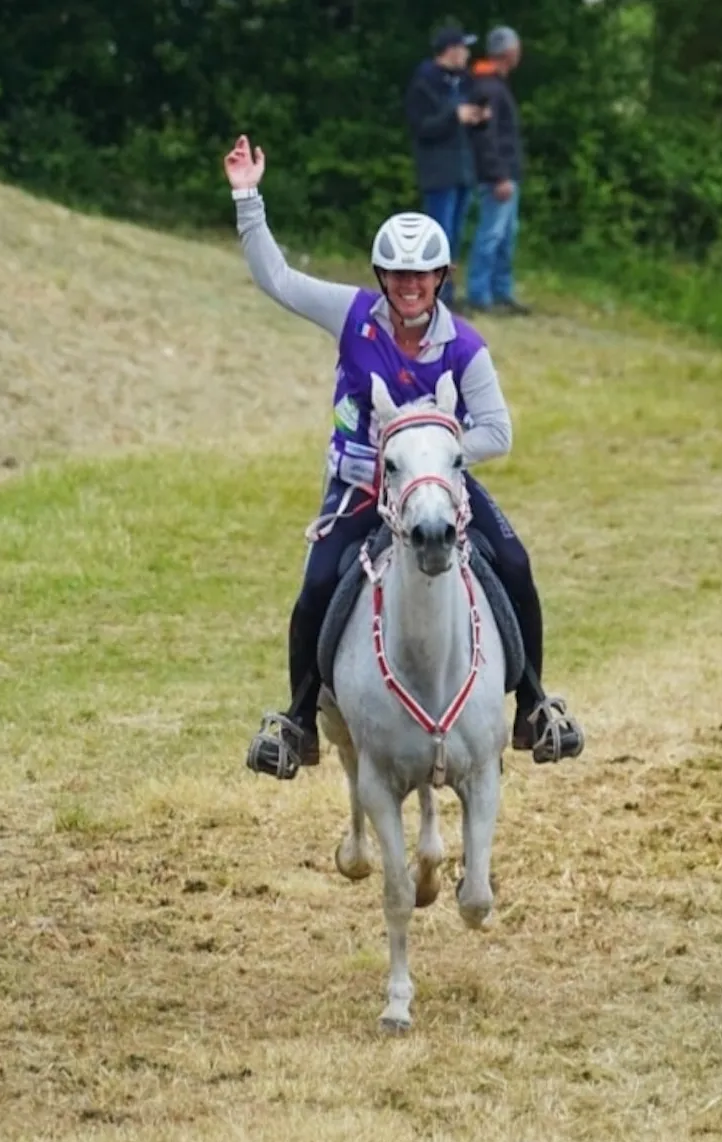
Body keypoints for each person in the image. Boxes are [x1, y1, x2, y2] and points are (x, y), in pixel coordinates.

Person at [222, 134, 582, 777]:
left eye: (421, 275)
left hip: (436, 487)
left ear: (441, 278)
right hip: (361, 485)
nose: (409, 286)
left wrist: (429, 459)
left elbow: (497, 432)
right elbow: (277, 279)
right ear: (380, 277)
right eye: (396, 275)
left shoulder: (465, 347)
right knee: (317, 586)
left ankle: (533, 707)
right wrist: (247, 196)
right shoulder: (352, 314)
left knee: (515, 564)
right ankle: (298, 720)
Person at [404, 23, 489, 308]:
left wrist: (478, 118)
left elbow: (466, 124)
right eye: (463, 48)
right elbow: (422, 128)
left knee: (455, 237)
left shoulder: (464, 81)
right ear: (450, 50)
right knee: (439, 236)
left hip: (463, 170)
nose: (467, 53)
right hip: (439, 172)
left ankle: (448, 291)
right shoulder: (424, 83)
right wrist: (454, 116)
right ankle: (434, 292)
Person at [466, 26, 531, 316]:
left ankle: (501, 292)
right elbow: (485, 136)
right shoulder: (488, 87)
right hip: (498, 177)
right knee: (491, 234)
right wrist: (499, 175)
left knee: (506, 236)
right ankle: (479, 294)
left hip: (507, 174)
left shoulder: (494, 84)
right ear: (510, 52)